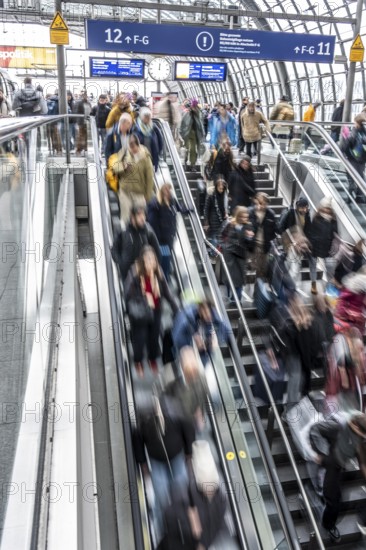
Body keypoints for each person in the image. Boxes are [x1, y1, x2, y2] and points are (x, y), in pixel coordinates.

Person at [133, 391, 195, 544]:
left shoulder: (174, 413)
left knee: (181, 490)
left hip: (177, 459)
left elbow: (188, 429)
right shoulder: (143, 421)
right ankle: (163, 532)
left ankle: (185, 525)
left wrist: (189, 451)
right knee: (161, 496)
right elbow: (138, 441)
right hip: (157, 462)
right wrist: (143, 463)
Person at [309, 413, 366, 542]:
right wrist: (321, 453)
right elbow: (315, 430)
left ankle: (322, 496)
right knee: (333, 500)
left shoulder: (359, 437)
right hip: (328, 463)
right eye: (362, 435)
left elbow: (361, 459)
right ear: (355, 426)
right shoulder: (338, 427)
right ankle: (328, 525)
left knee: (337, 497)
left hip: (339, 464)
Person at [124, 246, 178, 376]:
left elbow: (167, 292)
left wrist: (176, 308)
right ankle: (138, 362)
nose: (151, 262)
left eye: (153, 259)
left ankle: (152, 359)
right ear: (142, 260)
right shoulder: (135, 273)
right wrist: (143, 298)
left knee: (154, 338)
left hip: (156, 311)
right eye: (148, 259)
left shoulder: (158, 273)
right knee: (140, 339)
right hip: (140, 313)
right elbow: (127, 295)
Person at [147, 182, 189, 280]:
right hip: (161, 240)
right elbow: (152, 223)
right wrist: (158, 238)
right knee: (163, 259)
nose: (168, 192)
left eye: (169, 190)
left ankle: (163, 276)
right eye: (166, 190)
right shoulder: (155, 204)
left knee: (166, 257)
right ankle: (162, 278)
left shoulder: (172, 201)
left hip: (170, 237)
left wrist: (188, 209)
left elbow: (179, 208)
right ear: (162, 191)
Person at [110, 133, 154, 223]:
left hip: (139, 194)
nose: (132, 151)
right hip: (125, 192)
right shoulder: (124, 151)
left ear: (138, 146)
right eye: (130, 148)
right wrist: (123, 167)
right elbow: (114, 167)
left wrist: (147, 196)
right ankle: (125, 235)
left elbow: (150, 178)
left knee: (140, 220)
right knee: (125, 219)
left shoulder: (145, 156)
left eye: (134, 148)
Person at [112, 204, 161, 282]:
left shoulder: (148, 231)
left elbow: (157, 252)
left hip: (144, 273)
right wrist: (121, 262)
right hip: (127, 273)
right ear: (132, 217)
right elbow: (114, 249)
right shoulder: (123, 230)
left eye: (144, 215)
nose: (142, 218)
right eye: (139, 215)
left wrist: (154, 269)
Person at [221, 206, 255, 303]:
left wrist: (249, 238)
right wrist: (224, 247)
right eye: (243, 217)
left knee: (239, 281)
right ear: (238, 216)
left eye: (246, 217)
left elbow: (251, 245)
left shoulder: (248, 226)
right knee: (229, 278)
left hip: (241, 257)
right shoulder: (230, 224)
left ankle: (236, 300)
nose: (245, 219)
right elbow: (222, 236)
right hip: (230, 256)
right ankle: (231, 296)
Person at [308, 197, 338, 295]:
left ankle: (328, 288)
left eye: (328, 208)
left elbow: (335, 235)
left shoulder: (333, 220)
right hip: (314, 246)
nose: (326, 210)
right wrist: (310, 244)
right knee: (313, 266)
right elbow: (310, 232)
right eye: (324, 207)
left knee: (330, 269)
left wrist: (334, 246)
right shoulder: (316, 217)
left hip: (327, 248)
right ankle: (313, 284)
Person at [279, 197, 312, 285]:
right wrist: (288, 238)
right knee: (293, 265)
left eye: (306, 207)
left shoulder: (307, 216)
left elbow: (308, 230)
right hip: (290, 243)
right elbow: (281, 227)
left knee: (292, 264)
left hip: (300, 244)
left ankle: (286, 283)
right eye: (302, 207)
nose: (304, 209)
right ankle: (289, 284)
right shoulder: (291, 213)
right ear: (298, 206)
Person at [248, 192, 278, 279]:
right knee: (254, 267)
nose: (262, 206)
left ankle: (257, 289)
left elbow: (275, 229)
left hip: (264, 246)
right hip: (252, 245)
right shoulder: (250, 212)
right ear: (256, 201)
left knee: (261, 271)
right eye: (260, 203)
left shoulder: (270, 214)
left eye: (264, 204)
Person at [341, 113, 366, 202]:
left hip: (353, 159)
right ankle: (360, 197)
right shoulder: (364, 132)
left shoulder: (354, 132)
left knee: (351, 178)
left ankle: (350, 198)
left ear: (357, 122)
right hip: (362, 160)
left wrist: (344, 153)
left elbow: (346, 146)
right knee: (360, 177)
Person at [203, 176, 228, 255]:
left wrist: (226, 213)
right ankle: (214, 254)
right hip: (213, 221)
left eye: (222, 188)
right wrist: (206, 222)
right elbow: (206, 209)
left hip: (222, 221)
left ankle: (215, 254)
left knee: (219, 238)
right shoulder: (211, 196)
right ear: (216, 187)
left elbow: (226, 208)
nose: (221, 189)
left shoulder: (225, 196)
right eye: (219, 187)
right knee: (214, 238)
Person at [133, 106, 163, 171]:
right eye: (146, 117)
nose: (147, 119)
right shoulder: (135, 128)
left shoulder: (154, 127)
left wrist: (159, 153)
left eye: (149, 117)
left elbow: (160, 141)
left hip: (151, 157)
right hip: (139, 158)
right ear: (141, 117)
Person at [180, 99, 205, 171]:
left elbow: (200, 124)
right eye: (193, 106)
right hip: (187, 134)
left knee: (193, 150)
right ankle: (186, 162)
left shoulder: (198, 113)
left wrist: (202, 134)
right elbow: (182, 123)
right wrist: (181, 133)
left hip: (194, 134)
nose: (194, 108)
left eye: (195, 106)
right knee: (187, 149)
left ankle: (192, 164)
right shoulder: (187, 113)